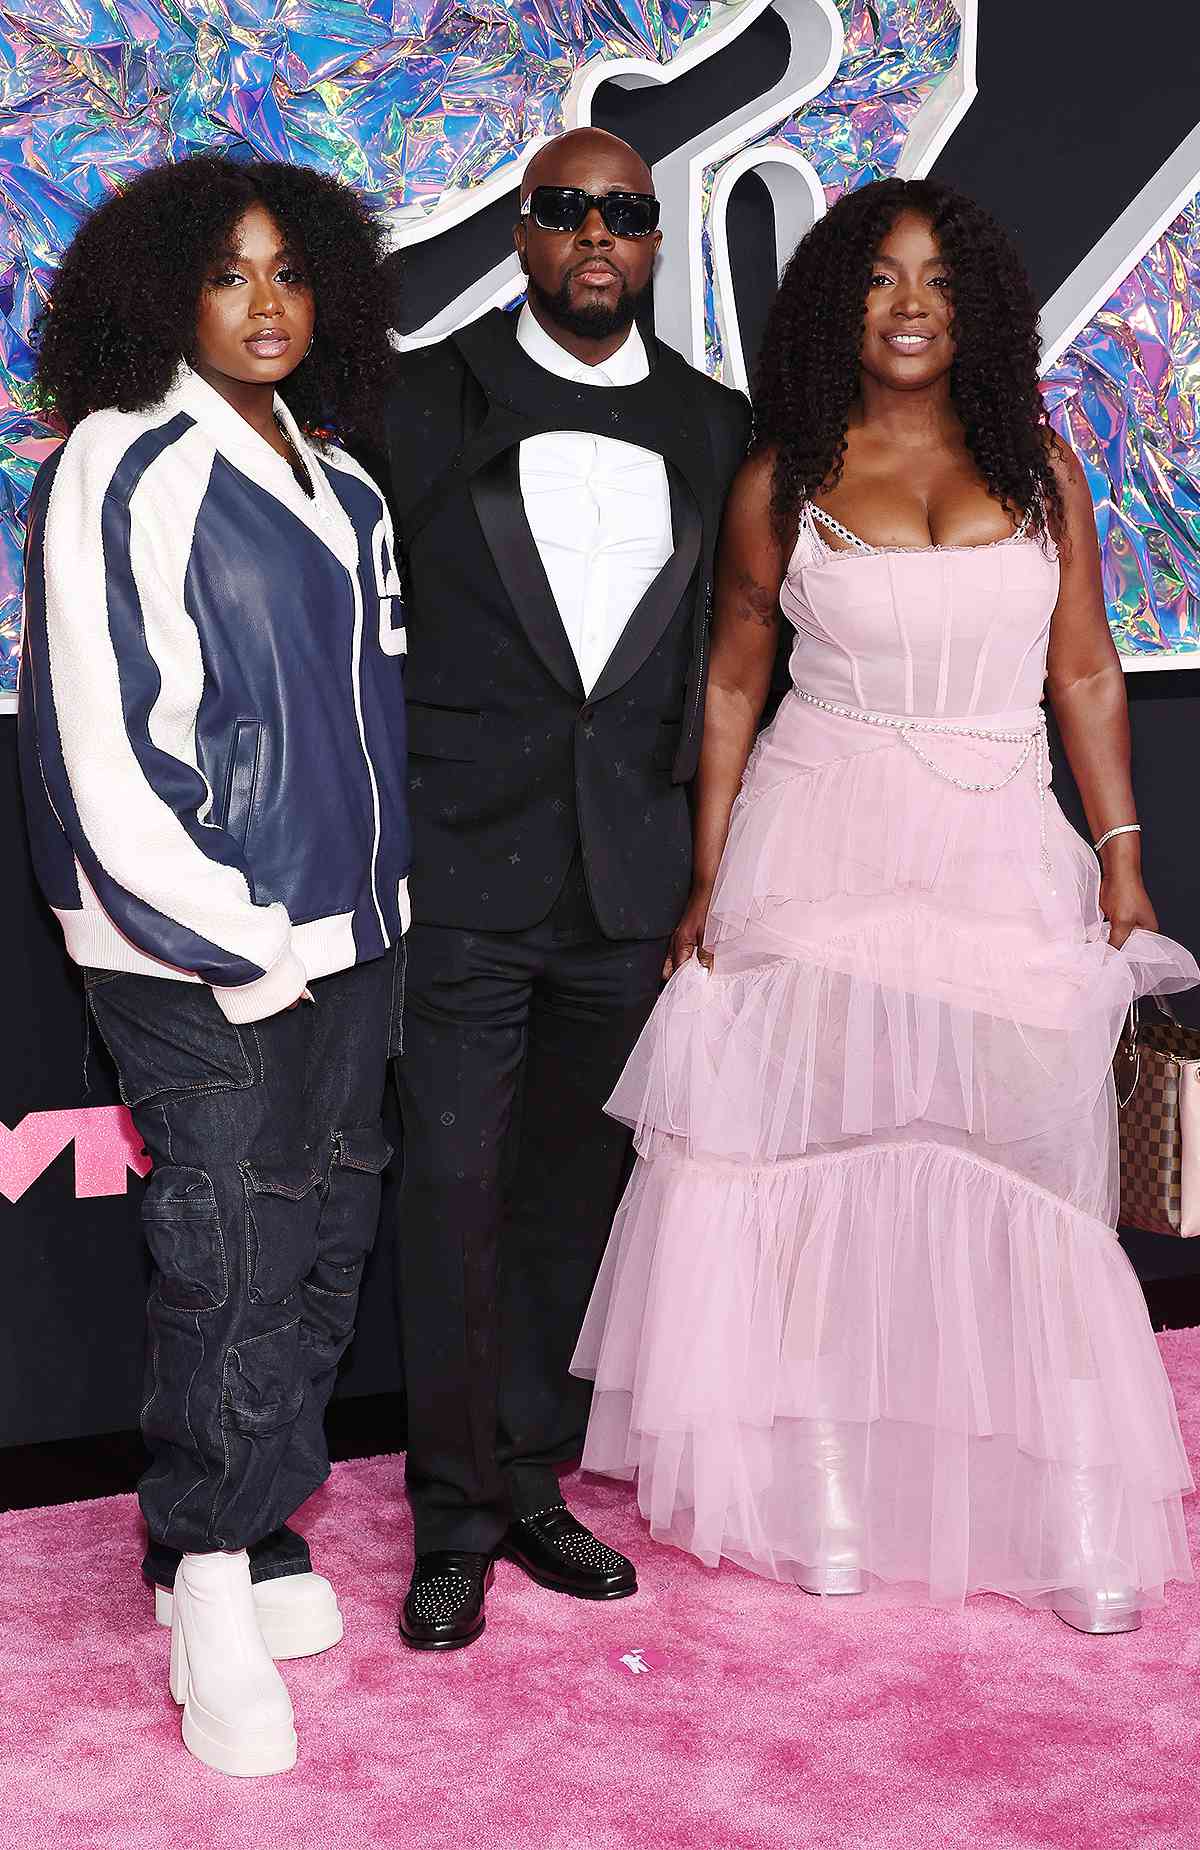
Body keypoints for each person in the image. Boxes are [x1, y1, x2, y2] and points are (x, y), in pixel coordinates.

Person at [573, 178, 1198, 1633]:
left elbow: (1088, 670)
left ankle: (1070, 1506)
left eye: (935, 279)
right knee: (814, 1174)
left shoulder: (1043, 466)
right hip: (818, 846)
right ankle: (825, 1483)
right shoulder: (782, 476)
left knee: (1035, 1191)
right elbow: (734, 680)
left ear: (972, 306)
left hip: (1000, 852)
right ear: (834, 309)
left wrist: (1119, 854)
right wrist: (715, 876)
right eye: (876, 279)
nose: (909, 303)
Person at [20, 156, 409, 1772]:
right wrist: (235, 945)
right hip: (201, 961)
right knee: (230, 1266)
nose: (266, 303)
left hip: (358, 943)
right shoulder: (122, 458)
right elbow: (94, 747)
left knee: (323, 1255)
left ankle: (243, 1531)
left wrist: (374, 914)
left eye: (290, 273)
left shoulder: (352, 484)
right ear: (166, 290)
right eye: (230, 273)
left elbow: (365, 736)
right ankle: (204, 1563)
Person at [379, 127, 751, 1649]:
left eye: (626, 216)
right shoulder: (418, 398)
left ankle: (532, 1479)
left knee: (567, 1207)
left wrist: (712, 867)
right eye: (565, 210)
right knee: (452, 1194)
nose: (597, 235)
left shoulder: (719, 425)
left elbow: (736, 657)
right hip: (463, 864)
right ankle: (454, 1511)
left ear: (654, 244)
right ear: (523, 231)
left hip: (630, 879)